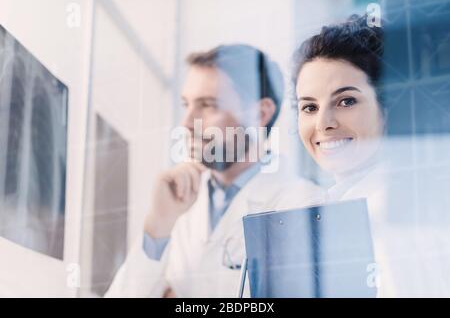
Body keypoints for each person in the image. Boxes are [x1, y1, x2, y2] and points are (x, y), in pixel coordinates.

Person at [106, 44, 321, 297]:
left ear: (260, 114)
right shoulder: (176, 204)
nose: (187, 123)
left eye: (207, 105)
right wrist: (158, 225)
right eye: (186, 105)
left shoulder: (304, 205)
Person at [293, 15, 450, 297]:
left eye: (346, 101)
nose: (323, 123)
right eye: (309, 107)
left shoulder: (405, 223)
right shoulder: (329, 207)